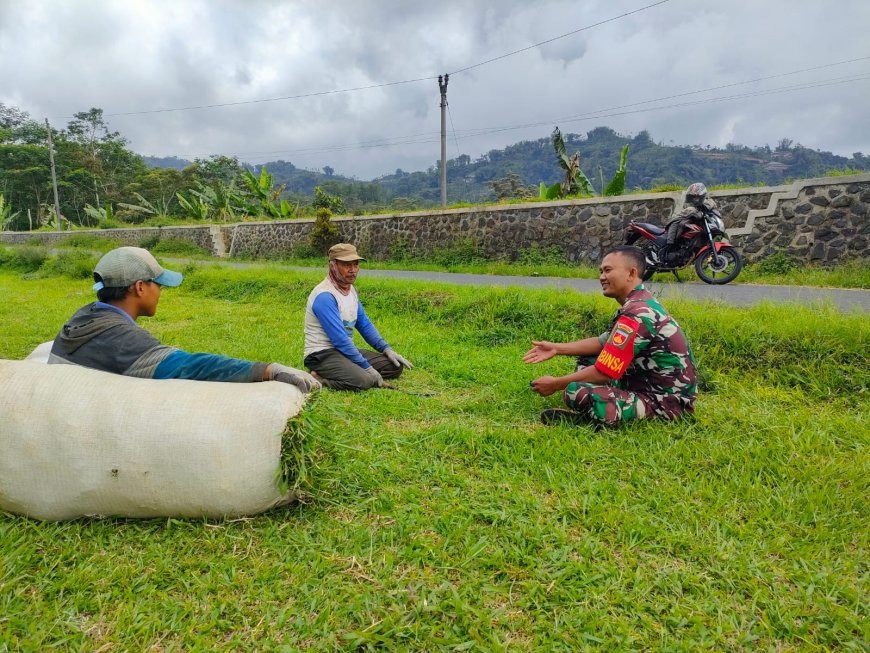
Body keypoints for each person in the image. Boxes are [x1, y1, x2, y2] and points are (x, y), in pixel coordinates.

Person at [49, 246, 319, 393]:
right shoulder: (123, 342)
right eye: (158, 284)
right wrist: (267, 370)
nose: (161, 291)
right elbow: (191, 366)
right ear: (140, 287)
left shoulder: (85, 315)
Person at [524, 246, 696, 427]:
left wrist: (556, 384)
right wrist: (556, 348)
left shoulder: (638, 313)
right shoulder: (640, 302)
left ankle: (594, 418)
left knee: (575, 391)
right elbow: (602, 342)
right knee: (588, 358)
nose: (602, 277)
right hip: (645, 387)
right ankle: (600, 409)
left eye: (608, 270)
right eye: (600, 271)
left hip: (665, 405)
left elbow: (604, 371)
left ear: (631, 273)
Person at [303, 243, 413, 391]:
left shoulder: (351, 291)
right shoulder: (325, 296)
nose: (353, 270)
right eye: (346, 265)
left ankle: (350, 370)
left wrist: (387, 349)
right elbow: (340, 340)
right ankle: (318, 379)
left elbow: (364, 324)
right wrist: (367, 368)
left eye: (355, 264)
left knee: (394, 367)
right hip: (322, 354)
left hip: (344, 351)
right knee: (364, 380)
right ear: (332, 265)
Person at [661, 182, 718, 266]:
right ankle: (670, 243)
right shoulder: (691, 209)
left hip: (704, 225)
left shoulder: (708, 202)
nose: (695, 200)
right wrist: (670, 241)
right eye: (693, 197)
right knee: (677, 221)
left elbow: (712, 206)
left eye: (697, 197)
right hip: (677, 222)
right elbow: (677, 219)